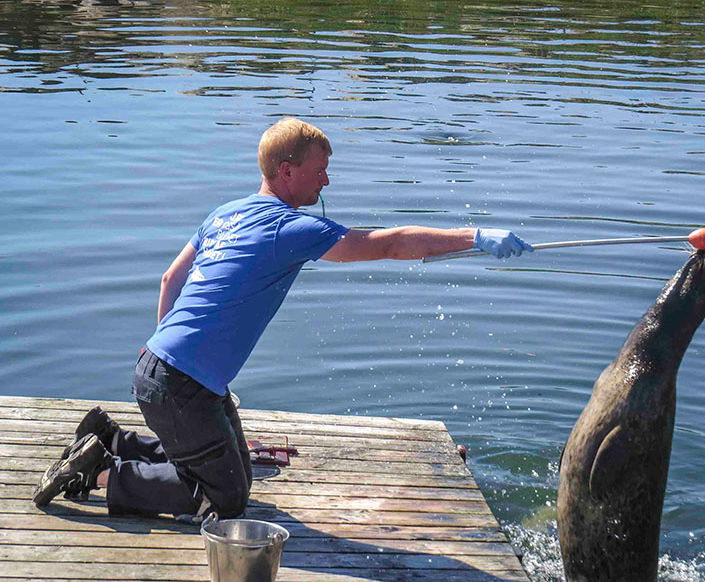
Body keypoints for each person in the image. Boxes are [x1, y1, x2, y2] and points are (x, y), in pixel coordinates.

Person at [32, 118, 532, 519]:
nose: (328, 179)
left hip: (163, 367)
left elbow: (169, 280)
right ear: (287, 170)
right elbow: (391, 243)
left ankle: (112, 437)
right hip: (180, 382)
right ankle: (97, 472)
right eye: (321, 170)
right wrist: (474, 235)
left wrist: (166, 352)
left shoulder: (224, 213)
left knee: (235, 472)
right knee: (225, 500)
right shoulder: (290, 228)